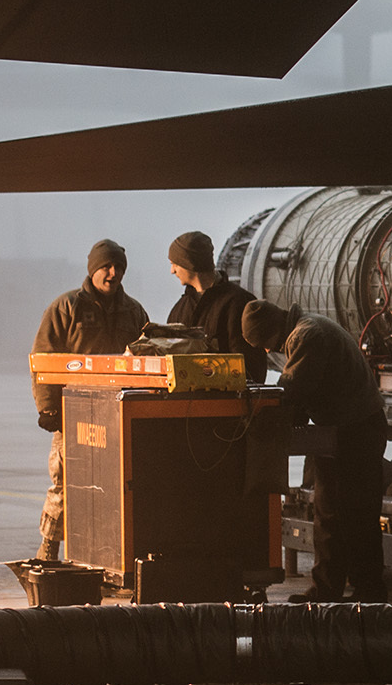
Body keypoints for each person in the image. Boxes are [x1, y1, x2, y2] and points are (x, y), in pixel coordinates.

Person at [242, 300, 389, 602]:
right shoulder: (309, 326)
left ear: (272, 331)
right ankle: (364, 592)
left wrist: (258, 419)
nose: (269, 352)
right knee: (353, 514)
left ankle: (333, 592)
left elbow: (291, 391)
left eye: (265, 344)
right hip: (352, 428)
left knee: (336, 514)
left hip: (353, 433)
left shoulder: (306, 336)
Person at [31, 241, 150, 560]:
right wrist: (48, 408)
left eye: (119, 268)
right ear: (93, 268)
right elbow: (43, 356)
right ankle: (48, 550)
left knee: (114, 488)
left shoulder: (134, 311)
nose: (113, 274)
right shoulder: (66, 307)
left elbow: (148, 356)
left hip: (118, 416)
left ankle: (107, 555)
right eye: (107, 266)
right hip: (74, 414)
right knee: (65, 485)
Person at [165, 231, 264, 378]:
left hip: (228, 400)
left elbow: (252, 367)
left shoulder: (239, 303)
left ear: (189, 264)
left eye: (175, 264)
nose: (172, 271)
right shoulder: (179, 310)